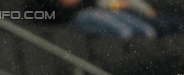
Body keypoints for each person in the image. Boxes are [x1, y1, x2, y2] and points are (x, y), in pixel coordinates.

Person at [25, 0, 157, 38]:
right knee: (123, 31)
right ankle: (125, 40)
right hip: (75, 17)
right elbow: (41, 12)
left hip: (95, 10)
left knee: (147, 30)